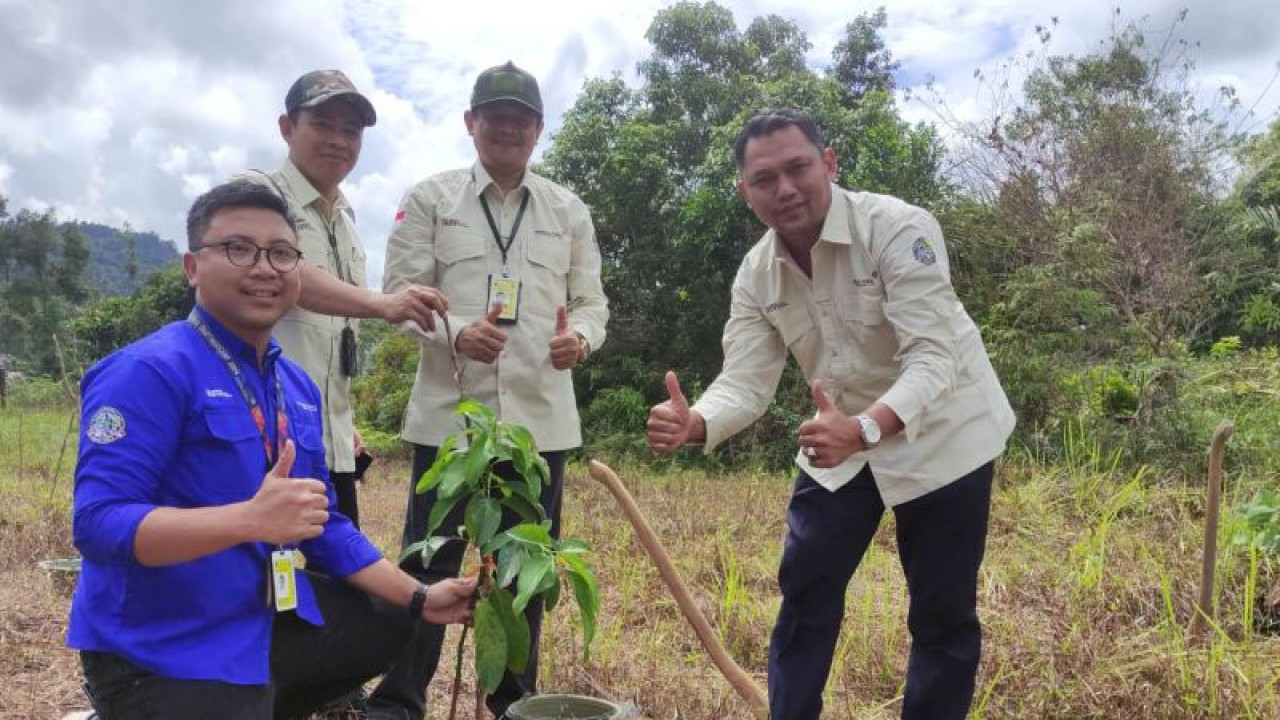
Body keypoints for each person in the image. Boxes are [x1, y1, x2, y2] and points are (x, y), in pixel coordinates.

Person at [646, 109, 1016, 720]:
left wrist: (865, 427)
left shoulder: (898, 228)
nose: (785, 189)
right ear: (746, 194)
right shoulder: (756, 274)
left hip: (945, 429)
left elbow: (933, 358)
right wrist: (699, 421)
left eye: (797, 168)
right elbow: (745, 378)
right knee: (805, 589)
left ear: (829, 163)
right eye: (765, 180)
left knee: (942, 613)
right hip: (839, 436)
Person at [67, 181, 476, 720]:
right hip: (156, 645)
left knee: (398, 618)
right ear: (193, 266)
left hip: (253, 615)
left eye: (282, 254)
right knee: (240, 705)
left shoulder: (294, 386)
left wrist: (422, 597)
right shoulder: (148, 372)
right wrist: (249, 520)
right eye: (239, 249)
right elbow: (98, 525)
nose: (264, 268)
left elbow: (325, 526)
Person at [367, 61, 608, 720]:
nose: (508, 128)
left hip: (539, 427)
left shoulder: (568, 209)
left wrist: (580, 340)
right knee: (426, 564)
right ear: (471, 123)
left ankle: (512, 705)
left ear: (537, 131)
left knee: (527, 570)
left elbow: (592, 303)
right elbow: (401, 293)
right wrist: (452, 333)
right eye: (495, 115)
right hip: (451, 423)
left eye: (521, 119)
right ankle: (398, 704)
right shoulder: (431, 199)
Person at [241, 69, 450, 528]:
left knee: (335, 582)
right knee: (266, 580)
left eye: (350, 130)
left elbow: (333, 337)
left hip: (328, 440)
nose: (338, 140)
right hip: (263, 432)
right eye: (323, 124)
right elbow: (290, 274)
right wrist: (382, 302)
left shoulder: (348, 223)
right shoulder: (257, 194)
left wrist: (341, 418)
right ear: (287, 127)